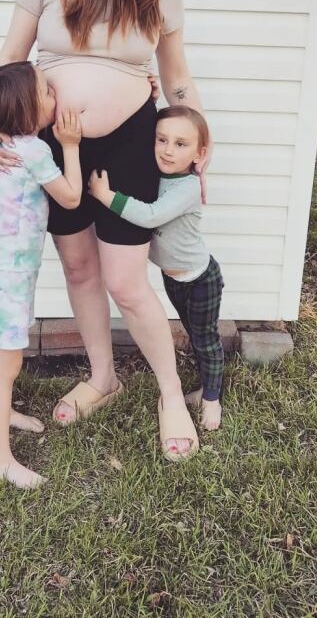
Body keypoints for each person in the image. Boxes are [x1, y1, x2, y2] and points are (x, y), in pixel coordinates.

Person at [0, 0, 210, 461]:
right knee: (80, 270)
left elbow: (177, 79)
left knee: (128, 284)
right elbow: (10, 60)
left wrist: (198, 145)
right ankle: (103, 377)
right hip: (58, 150)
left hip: (130, 146)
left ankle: (170, 398)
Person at [0, 61, 83, 489]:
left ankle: (6, 412)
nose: (55, 96)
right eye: (47, 93)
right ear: (26, 112)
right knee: (5, 366)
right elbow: (70, 198)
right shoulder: (35, 151)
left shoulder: (8, 144)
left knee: (5, 360)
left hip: (3, 271)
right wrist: (70, 145)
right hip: (10, 278)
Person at [88, 106, 225, 431]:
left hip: (200, 278)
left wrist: (106, 197)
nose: (167, 149)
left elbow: (150, 216)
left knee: (205, 338)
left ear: (199, 153)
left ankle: (211, 398)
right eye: (161, 139)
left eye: (180, 144)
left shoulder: (188, 187)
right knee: (195, 334)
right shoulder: (157, 174)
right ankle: (204, 386)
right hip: (173, 279)